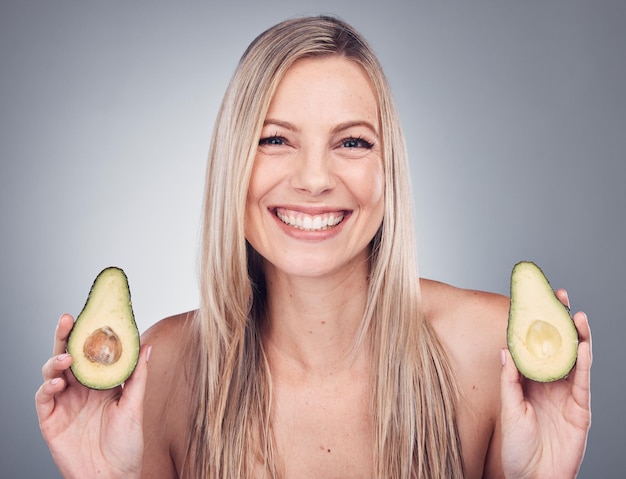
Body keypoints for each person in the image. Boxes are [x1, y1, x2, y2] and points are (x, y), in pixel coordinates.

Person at [36, 15, 592, 478]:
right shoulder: (162, 376)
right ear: (235, 165)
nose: (314, 178)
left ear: (387, 171)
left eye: (352, 141)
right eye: (275, 139)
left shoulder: (490, 355)